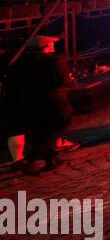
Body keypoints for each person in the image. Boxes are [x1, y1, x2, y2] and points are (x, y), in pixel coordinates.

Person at [5, 36, 73, 175]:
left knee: (41, 132)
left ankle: (51, 160)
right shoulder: (54, 60)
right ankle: (29, 160)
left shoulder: (17, 65)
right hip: (52, 101)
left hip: (30, 104)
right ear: (45, 47)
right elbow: (62, 80)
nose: (53, 47)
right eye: (51, 44)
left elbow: (12, 86)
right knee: (60, 126)